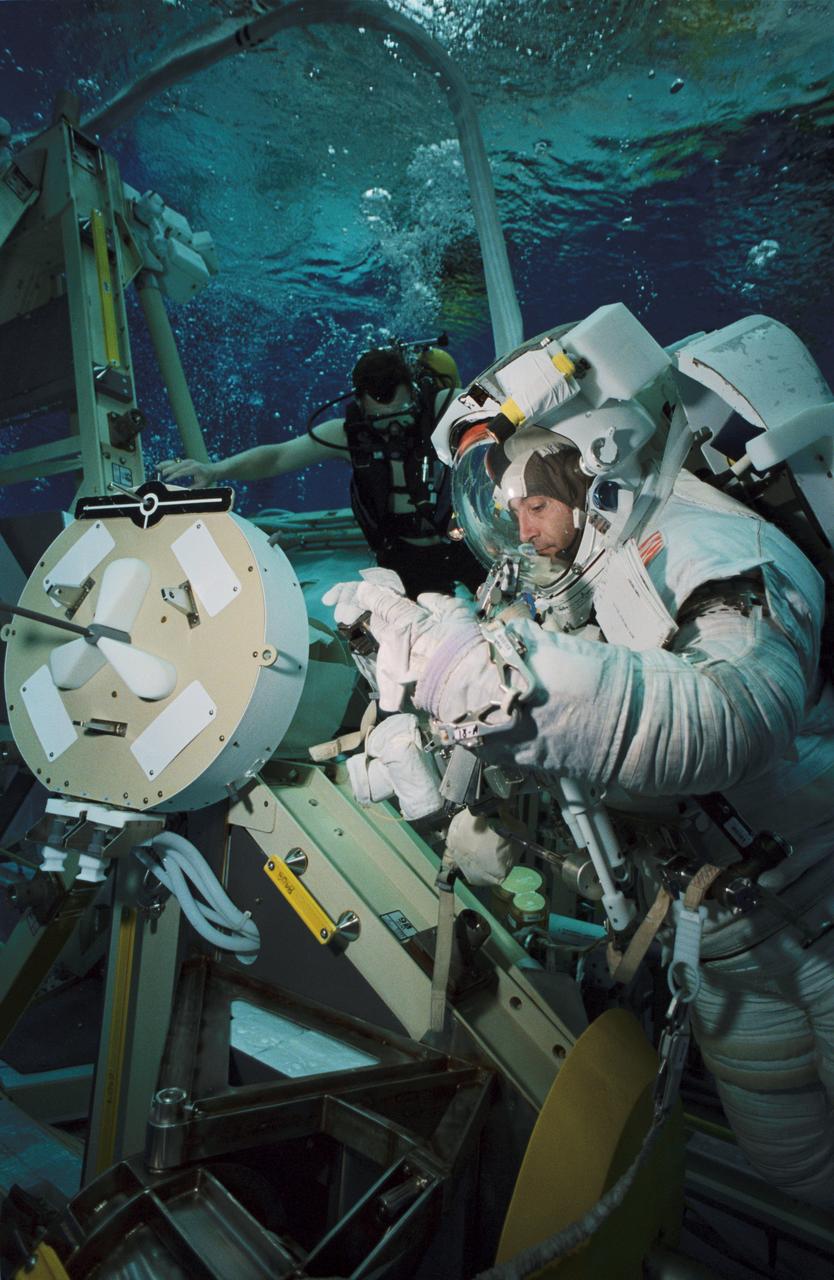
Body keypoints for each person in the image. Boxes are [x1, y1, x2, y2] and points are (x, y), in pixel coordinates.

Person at [325, 304, 834, 1207]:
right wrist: (446, 768)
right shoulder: (583, 581)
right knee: (801, 1177)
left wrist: (465, 673)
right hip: (719, 948)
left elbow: (727, 716)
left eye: (535, 507)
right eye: (510, 510)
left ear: (601, 474)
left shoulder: (715, 546)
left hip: (816, 902)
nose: (520, 534)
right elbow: (590, 751)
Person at [159, 345, 481, 597]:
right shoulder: (346, 433)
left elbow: (501, 403)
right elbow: (277, 457)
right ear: (361, 405)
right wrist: (215, 470)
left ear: (412, 392)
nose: (394, 428)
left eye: (402, 413)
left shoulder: (446, 406)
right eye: (381, 419)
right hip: (401, 558)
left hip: (466, 544)